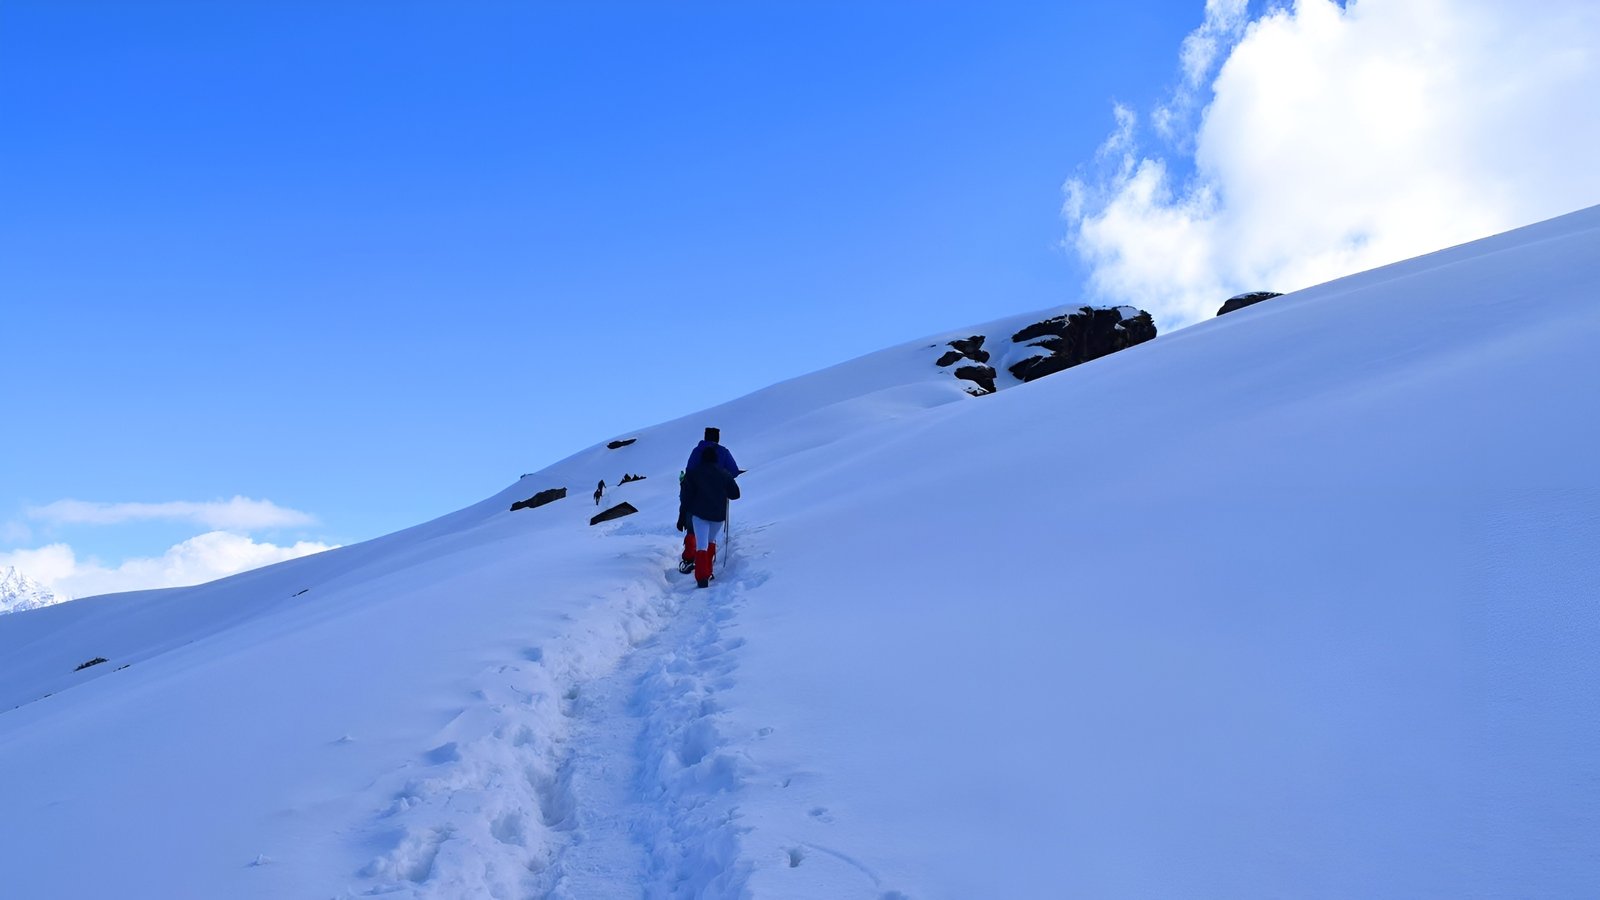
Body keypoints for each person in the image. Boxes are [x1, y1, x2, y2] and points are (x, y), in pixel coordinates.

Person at [679, 427, 741, 571]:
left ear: (705, 437)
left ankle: (689, 558)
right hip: (717, 497)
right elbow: (734, 471)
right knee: (710, 536)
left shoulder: (697, 451)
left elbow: (689, 471)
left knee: (692, 527)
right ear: (718, 438)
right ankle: (708, 564)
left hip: (696, 494)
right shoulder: (723, 452)